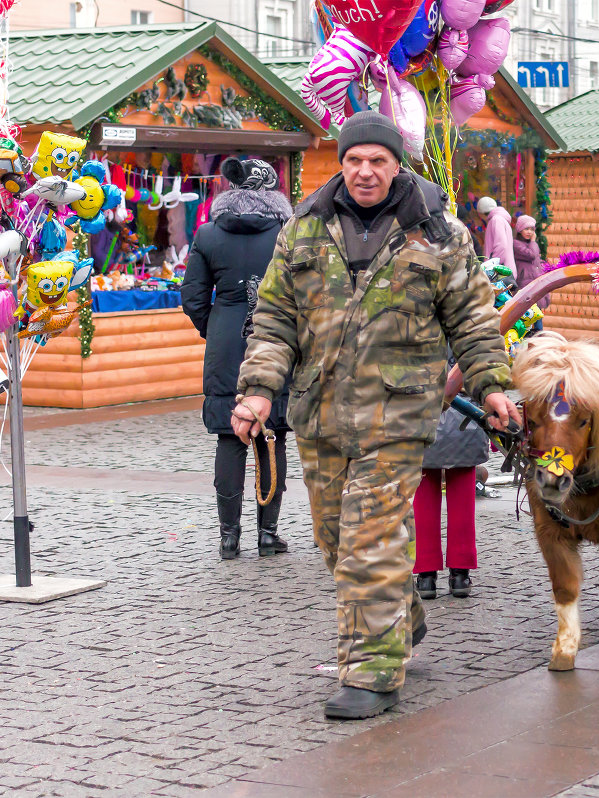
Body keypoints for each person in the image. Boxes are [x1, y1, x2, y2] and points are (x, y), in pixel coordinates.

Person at [232, 110, 521, 721]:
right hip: (319, 411)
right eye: (354, 160)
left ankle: (372, 673)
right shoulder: (304, 231)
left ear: (397, 166)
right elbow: (276, 319)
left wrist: (494, 385)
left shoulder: (438, 235)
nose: (365, 172)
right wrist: (258, 391)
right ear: (342, 163)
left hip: (399, 413)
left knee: (371, 541)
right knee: (336, 540)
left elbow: (471, 320)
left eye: (378, 161)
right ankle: (400, 616)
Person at [181, 157, 293, 560]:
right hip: (275, 340)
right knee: (270, 434)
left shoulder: (209, 233)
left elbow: (192, 296)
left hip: (226, 343)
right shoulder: (286, 233)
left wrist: (214, 329)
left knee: (230, 438)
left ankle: (229, 537)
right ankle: (268, 534)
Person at [413, 404, 488, 600]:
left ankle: (426, 576)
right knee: (463, 502)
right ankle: (460, 575)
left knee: (424, 502)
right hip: (464, 419)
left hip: (421, 415)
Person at [512, 214, 547, 310]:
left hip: (536, 283)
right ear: (520, 229)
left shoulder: (531, 244)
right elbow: (531, 255)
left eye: (532, 229)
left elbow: (537, 260)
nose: (529, 232)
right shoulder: (516, 244)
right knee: (528, 316)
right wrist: (533, 241)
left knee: (538, 319)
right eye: (526, 229)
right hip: (525, 284)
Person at [476, 196, 515, 278]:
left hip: (500, 273)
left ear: (481, 213)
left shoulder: (496, 220)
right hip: (503, 271)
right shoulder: (500, 219)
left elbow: (501, 246)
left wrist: (491, 268)